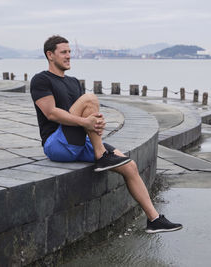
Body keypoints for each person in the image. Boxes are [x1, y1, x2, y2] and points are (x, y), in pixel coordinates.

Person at [30, 35, 182, 233]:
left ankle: (154, 220)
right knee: (90, 98)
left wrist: (96, 123)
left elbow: (84, 115)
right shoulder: (41, 79)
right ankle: (101, 155)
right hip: (56, 144)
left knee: (129, 165)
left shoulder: (74, 82)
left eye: (69, 52)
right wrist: (86, 122)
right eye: (64, 52)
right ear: (50, 55)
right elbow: (51, 113)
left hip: (78, 141)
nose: (69, 56)